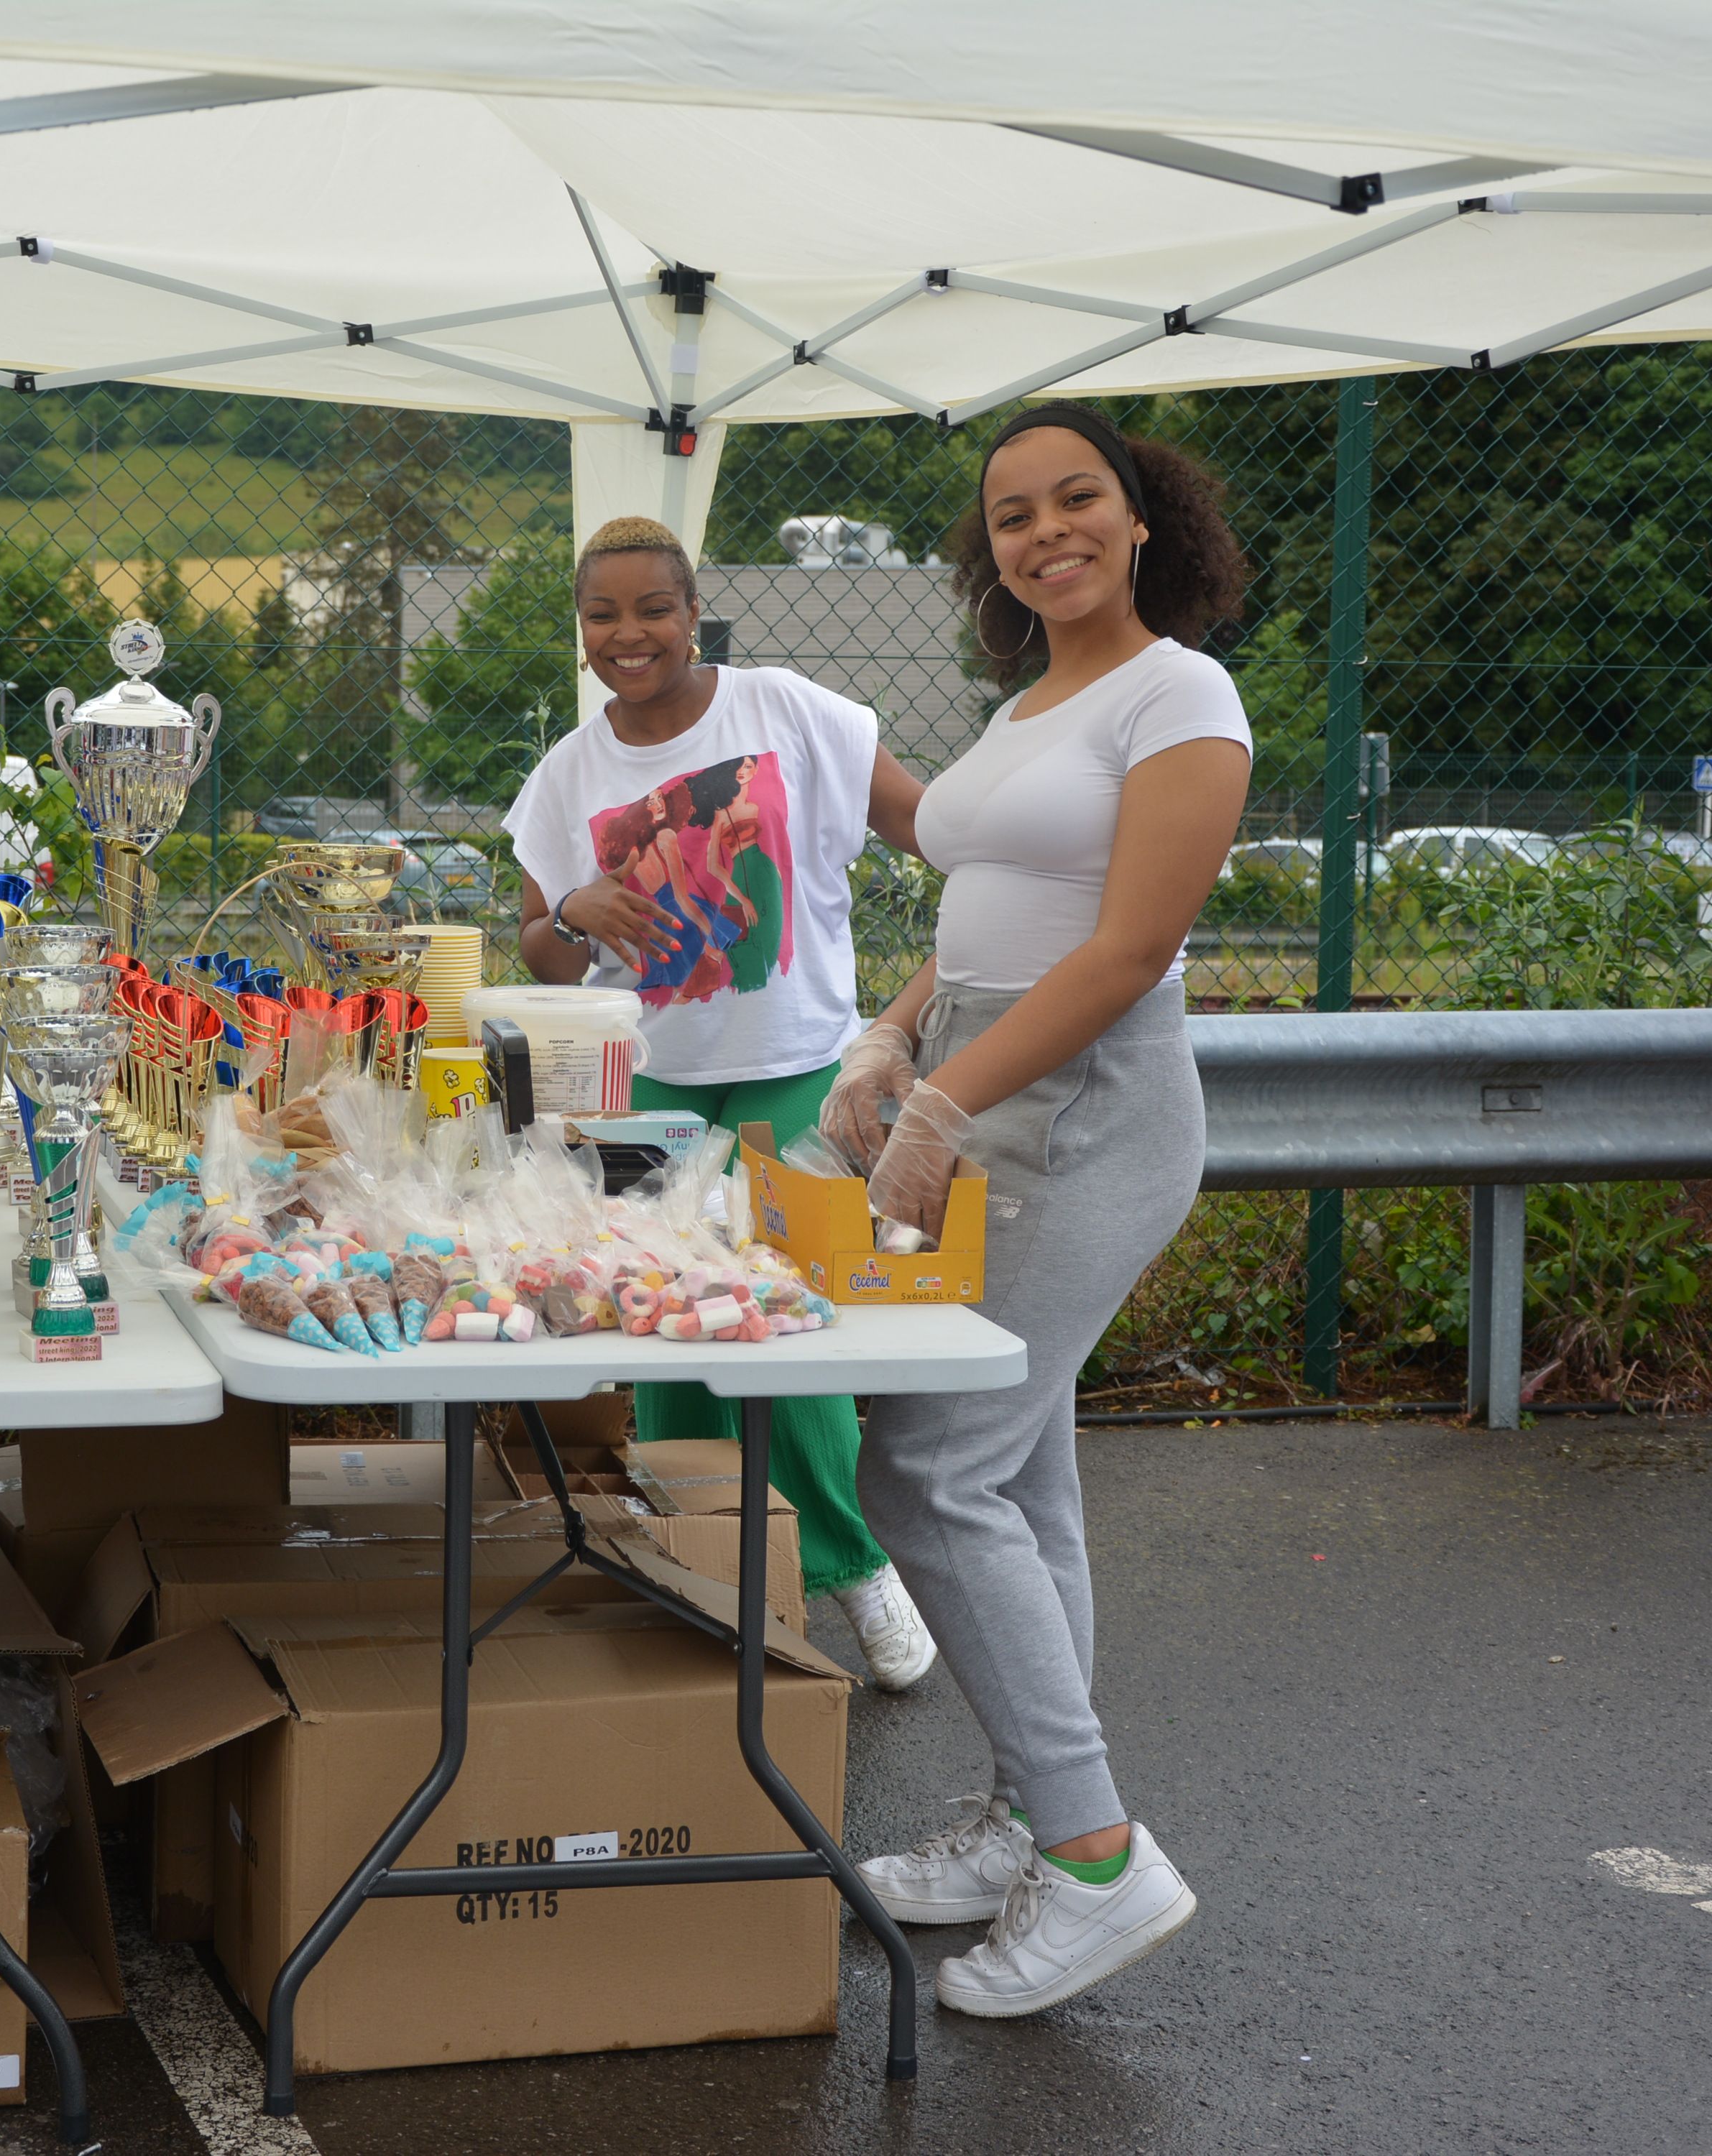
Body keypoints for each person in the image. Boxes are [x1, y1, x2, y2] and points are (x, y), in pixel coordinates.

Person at [828, 405, 1251, 2018]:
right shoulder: (1024, 708)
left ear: (1143, 520)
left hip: (1085, 1111)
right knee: (1020, 1470)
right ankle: (1026, 1818)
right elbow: (990, 910)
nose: (1045, 531)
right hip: (984, 1081)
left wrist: (945, 1101)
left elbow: (1126, 949)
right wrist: (891, 1035)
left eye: (1078, 499)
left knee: (928, 1467)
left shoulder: (1179, 694)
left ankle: (1093, 1852)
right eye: (1012, 514)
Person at [505, 514, 941, 1690]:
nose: (629, 634)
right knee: (667, 1335)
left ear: (695, 614)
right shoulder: (568, 773)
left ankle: (856, 1570)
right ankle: (702, 1571)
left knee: (782, 1328)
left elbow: (928, 828)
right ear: (581, 629)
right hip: (646, 1085)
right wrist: (573, 913)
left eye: (654, 608)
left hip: (797, 1065)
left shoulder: (787, 711)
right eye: (603, 615)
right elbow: (544, 952)